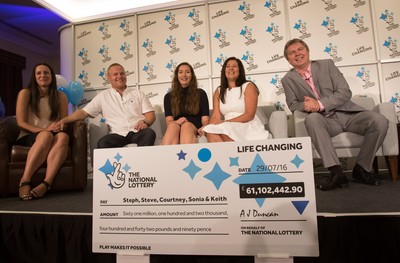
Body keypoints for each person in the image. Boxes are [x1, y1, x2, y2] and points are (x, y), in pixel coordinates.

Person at [281, 38, 389, 190]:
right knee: (312, 120)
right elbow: (293, 105)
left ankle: (362, 168)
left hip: (348, 114)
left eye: (300, 49)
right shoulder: (287, 79)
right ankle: (337, 173)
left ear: (307, 51)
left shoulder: (327, 64)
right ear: (288, 60)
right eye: (292, 53)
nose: (297, 54)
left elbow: (345, 92)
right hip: (325, 121)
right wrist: (306, 105)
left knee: (380, 121)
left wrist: (318, 104)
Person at [57, 63, 156, 148]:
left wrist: (145, 122)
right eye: (115, 74)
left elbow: (150, 115)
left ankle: (140, 165)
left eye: (122, 73)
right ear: (109, 78)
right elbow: (83, 112)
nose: (119, 76)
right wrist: (64, 120)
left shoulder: (138, 93)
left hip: (138, 132)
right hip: (118, 135)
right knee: (103, 142)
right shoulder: (103, 96)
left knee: (149, 133)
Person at [16, 63, 69, 200]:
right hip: (29, 134)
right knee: (45, 136)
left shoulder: (60, 96)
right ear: (34, 77)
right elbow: (21, 122)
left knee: (63, 137)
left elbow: (63, 121)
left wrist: (59, 126)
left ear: (52, 77)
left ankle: (47, 183)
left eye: (46, 73)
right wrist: (45, 130)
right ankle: (25, 179)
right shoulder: (25, 93)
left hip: (52, 133)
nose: (42, 76)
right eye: (39, 73)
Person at [203, 57, 269, 142]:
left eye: (234, 66)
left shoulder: (248, 86)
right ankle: (226, 155)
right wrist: (207, 127)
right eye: (228, 66)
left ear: (240, 70)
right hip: (227, 124)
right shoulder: (219, 91)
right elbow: (216, 116)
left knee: (225, 128)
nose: (230, 68)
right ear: (224, 71)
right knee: (210, 131)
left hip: (246, 123)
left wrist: (227, 122)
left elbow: (249, 114)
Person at [162, 62, 209, 145]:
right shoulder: (168, 96)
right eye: (180, 72)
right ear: (177, 76)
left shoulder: (201, 94)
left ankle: (189, 157)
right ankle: (166, 157)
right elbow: (169, 121)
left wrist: (204, 127)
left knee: (186, 126)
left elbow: (205, 119)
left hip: (193, 127)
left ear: (192, 76)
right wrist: (177, 122)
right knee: (172, 126)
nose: (184, 75)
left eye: (187, 72)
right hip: (176, 126)